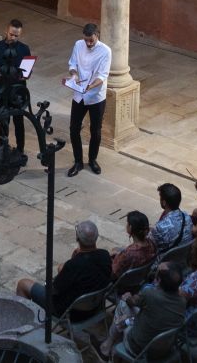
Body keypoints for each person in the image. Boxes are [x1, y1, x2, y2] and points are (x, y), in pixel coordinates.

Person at [16, 220, 112, 320]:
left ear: (77, 238)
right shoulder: (105, 255)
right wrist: (75, 259)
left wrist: (72, 262)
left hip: (71, 313)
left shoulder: (73, 265)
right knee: (61, 267)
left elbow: (54, 290)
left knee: (23, 284)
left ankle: (23, 322)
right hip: (95, 307)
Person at [99, 260, 186, 359]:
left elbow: (131, 302)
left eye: (157, 271)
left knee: (123, 305)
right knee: (128, 318)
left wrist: (127, 297)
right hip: (164, 350)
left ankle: (106, 347)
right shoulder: (182, 301)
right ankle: (115, 347)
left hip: (139, 349)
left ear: (158, 280)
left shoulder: (150, 293)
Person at [65, 23, 111, 177]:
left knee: (95, 130)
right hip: (79, 94)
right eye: (86, 40)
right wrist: (74, 75)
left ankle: (92, 160)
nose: (88, 43)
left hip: (96, 97)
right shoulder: (78, 45)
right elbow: (72, 64)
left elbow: (102, 75)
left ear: (97, 35)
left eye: (91, 40)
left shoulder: (105, 51)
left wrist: (90, 87)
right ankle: (78, 161)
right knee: (74, 128)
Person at [0, 19, 32, 153]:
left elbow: (28, 71)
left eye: (17, 35)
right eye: (11, 34)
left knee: (19, 121)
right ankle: (2, 149)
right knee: (3, 121)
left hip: (18, 90)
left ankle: (20, 150)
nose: (13, 38)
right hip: (3, 89)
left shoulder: (24, 49)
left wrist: (25, 74)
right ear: (6, 31)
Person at [111, 211, 156, 279]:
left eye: (127, 223)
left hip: (126, 281)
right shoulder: (151, 244)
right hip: (140, 278)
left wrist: (116, 257)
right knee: (116, 250)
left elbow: (114, 273)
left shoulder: (128, 254)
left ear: (130, 227)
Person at [150, 183, 194, 254]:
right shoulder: (186, 216)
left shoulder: (159, 227)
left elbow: (149, 247)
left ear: (164, 202)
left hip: (166, 259)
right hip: (184, 255)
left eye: (160, 198)